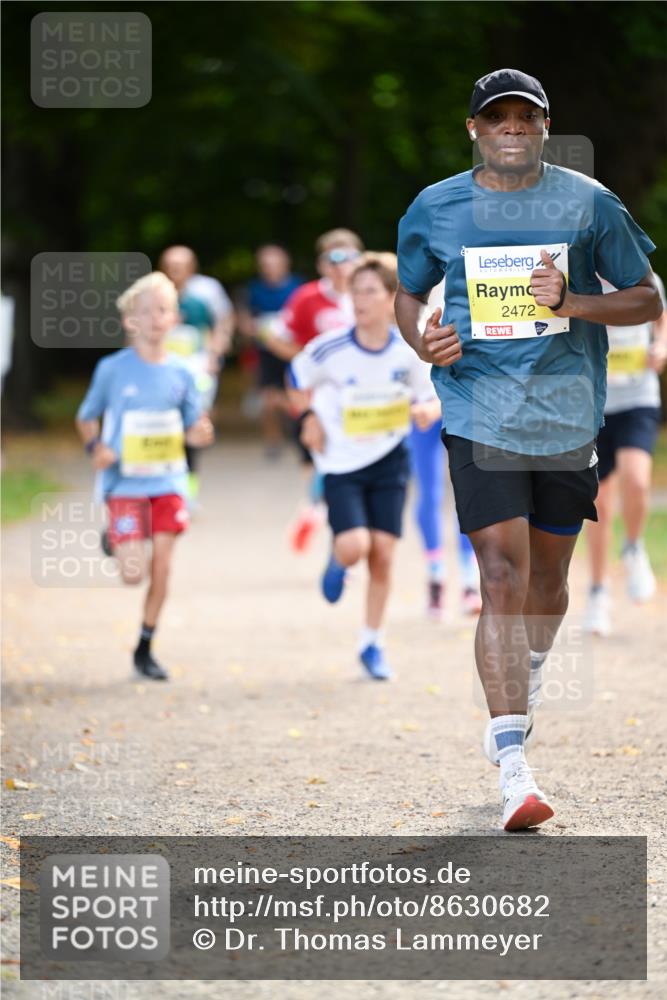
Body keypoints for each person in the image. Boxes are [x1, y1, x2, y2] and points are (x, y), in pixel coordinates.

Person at [396, 68, 660, 830]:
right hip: (478, 413)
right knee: (500, 577)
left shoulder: (588, 202)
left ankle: (528, 672)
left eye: (525, 116)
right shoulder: (435, 207)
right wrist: (425, 341)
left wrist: (572, 301)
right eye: (496, 117)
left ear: (543, 126)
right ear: (474, 128)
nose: (511, 126)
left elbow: (647, 296)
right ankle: (514, 763)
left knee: (547, 588)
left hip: (567, 419)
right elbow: (410, 292)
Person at [288, 253, 440, 680]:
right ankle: (338, 561)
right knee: (356, 545)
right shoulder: (328, 349)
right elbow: (296, 380)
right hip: (340, 463)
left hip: (391, 460)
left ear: (392, 297)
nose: (360, 299)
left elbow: (429, 394)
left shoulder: (407, 351)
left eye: (370, 290)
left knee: (384, 554)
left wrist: (428, 409)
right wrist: (310, 418)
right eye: (355, 291)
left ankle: (372, 643)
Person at [76, 272, 214, 680]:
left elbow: (195, 424)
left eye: (165, 310)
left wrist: (200, 433)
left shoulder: (183, 372)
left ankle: (145, 646)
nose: (157, 318)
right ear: (130, 321)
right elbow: (86, 418)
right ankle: (118, 539)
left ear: (174, 319)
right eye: (148, 311)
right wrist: (95, 448)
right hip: (125, 484)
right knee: (132, 573)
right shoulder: (112, 369)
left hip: (169, 481)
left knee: (163, 565)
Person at [267, 229, 364, 552]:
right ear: (322, 264)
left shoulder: (369, 295)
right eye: (333, 259)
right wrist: (307, 363)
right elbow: (276, 337)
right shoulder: (306, 297)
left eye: (348, 257)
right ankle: (322, 515)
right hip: (318, 403)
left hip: (363, 401)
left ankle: (320, 513)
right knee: (319, 466)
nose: (341, 266)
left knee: (355, 470)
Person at [584, 274, 667, 635]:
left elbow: (662, 317)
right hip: (594, 406)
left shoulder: (644, 277)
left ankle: (633, 548)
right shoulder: (579, 279)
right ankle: (598, 592)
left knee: (636, 479)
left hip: (638, 399)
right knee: (599, 505)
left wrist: (661, 346)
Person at [237, 244, 303, 459]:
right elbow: (245, 321)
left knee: (293, 396)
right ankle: (272, 442)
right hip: (264, 352)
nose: (270, 268)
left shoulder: (298, 287)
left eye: (275, 264)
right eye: (266, 265)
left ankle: (300, 433)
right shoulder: (253, 289)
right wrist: (252, 329)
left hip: (293, 351)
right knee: (267, 399)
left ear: (286, 264)